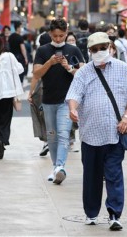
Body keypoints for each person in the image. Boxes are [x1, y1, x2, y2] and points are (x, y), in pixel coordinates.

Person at [66, 32, 127, 231]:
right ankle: (91, 213)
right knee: (91, 176)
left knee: (114, 174)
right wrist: (72, 109)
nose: (100, 52)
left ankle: (115, 214)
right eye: (95, 49)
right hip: (90, 134)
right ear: (89, 51)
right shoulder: (83, 73)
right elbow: (73, 95)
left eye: (103, 48)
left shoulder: (123, 69)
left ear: (109, 47)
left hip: (115, 133)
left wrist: (126, 117)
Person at [32, 18, 84, 184]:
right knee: (52, 136)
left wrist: (68, 67)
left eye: (62, 36)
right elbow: (36, 73)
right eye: (55, 36)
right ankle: (55, 167)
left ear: (66, 33)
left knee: (63, 135)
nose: (59, 39)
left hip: (67, 101)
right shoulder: (43, 50)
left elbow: (83, 73)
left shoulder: (74, 50)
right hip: (48, 100)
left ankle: (60, 166)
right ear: (50, 34)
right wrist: (50, 62)